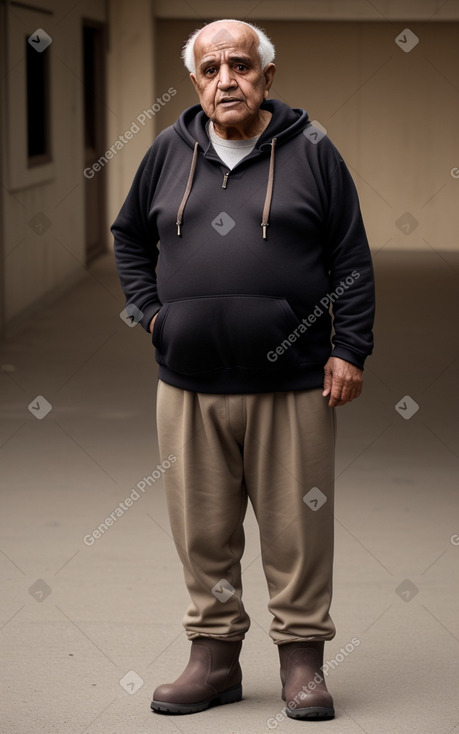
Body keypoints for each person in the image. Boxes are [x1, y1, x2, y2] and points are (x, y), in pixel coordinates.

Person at [112, 18, 375, 721]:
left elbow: (350, 257)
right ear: (195, 80)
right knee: (202, 530)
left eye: (239, 65)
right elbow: (129, 237)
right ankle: (214, 660)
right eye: (209, 68)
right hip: (189, 384)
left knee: (297, 531)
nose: (225, 79)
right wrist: (151, 314)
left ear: (266, 75)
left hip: (293, 380)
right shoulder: (169, 150)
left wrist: (348, 349)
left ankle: (302, 667)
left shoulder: (313, 150)